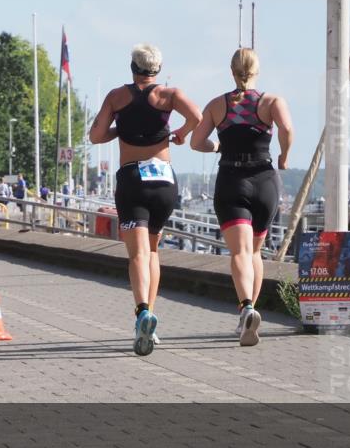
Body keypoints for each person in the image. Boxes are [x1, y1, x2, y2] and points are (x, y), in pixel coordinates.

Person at [89, 43, 202, 356]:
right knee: (153, 251)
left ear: (132, 68)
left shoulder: (116, 96)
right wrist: (178, 133)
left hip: (132, 179)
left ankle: (142, 313)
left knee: (137, 254)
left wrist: (118, 129)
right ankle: (150, 317)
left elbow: (95, 136)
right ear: (158, 70)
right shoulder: (170, 95)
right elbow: (197, 116)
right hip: (164, 180)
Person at [191, 48, 293, 347]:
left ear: (232, 71)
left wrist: (218, 147)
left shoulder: (216, 105)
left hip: (232, 181)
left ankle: (246, 307)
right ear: (256, 70)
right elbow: (286, 128)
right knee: (255, 253)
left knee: (239, 253)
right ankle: (250, 312)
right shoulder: (272, 102)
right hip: (264, 181)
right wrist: (284, 156)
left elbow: (197, 142)